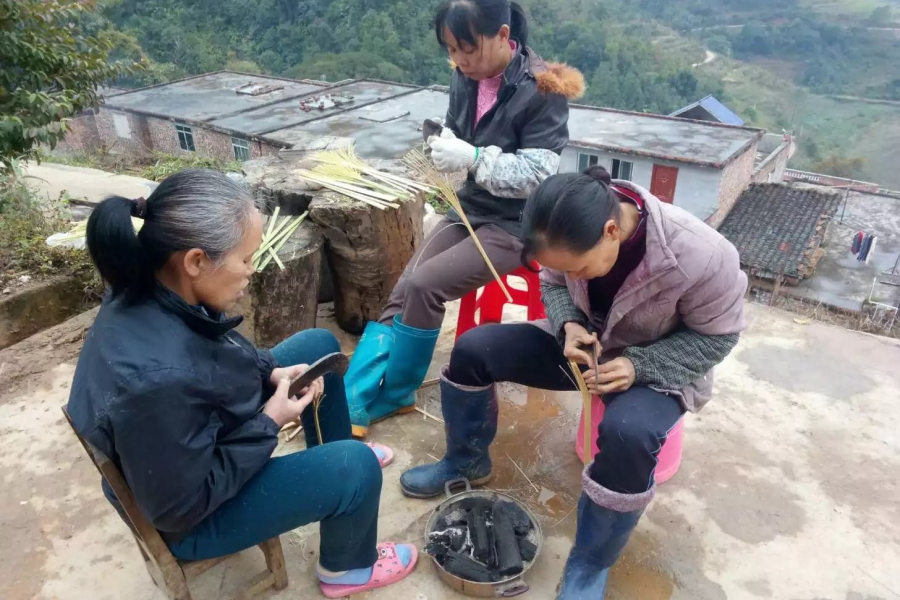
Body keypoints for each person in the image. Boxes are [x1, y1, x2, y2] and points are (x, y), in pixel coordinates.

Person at [66, 170, 416, 599]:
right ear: (195, 261)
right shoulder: (156, 383)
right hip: (191, 514)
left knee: (318, 347)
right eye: (246, 259)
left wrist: (268, 371)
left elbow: (216, 348)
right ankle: (346, 570)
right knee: (355, 469)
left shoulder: (151, 286)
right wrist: (269, 420)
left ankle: (330, 454)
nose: (253, 270)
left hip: (185, 439)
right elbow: (182, 508)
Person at [400, 167, 748, 598]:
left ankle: (590, 560)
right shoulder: (565, 233)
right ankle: (466, 460)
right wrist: (567, 322)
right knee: (474, 349)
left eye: (582, 268)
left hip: (656, 364)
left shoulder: (703, 255)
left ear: (611, 231)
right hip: (585, 348)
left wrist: (642, 366)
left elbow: (719, 336)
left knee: (628, 433)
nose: (577, 277)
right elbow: (553, 280)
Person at [345, 0, 585, 438]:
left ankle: (398, 390)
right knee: (405, 287)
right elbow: (458, 133)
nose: (458, 61)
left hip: (517, 225)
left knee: (424, 285)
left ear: (502, 34)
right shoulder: (464, 78)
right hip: (471, 207)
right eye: (451, 50)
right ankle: (356, 392)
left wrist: (474, 156)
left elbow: (536, 176)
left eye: (467, 49)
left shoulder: (543, 91)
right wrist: (443, 141)